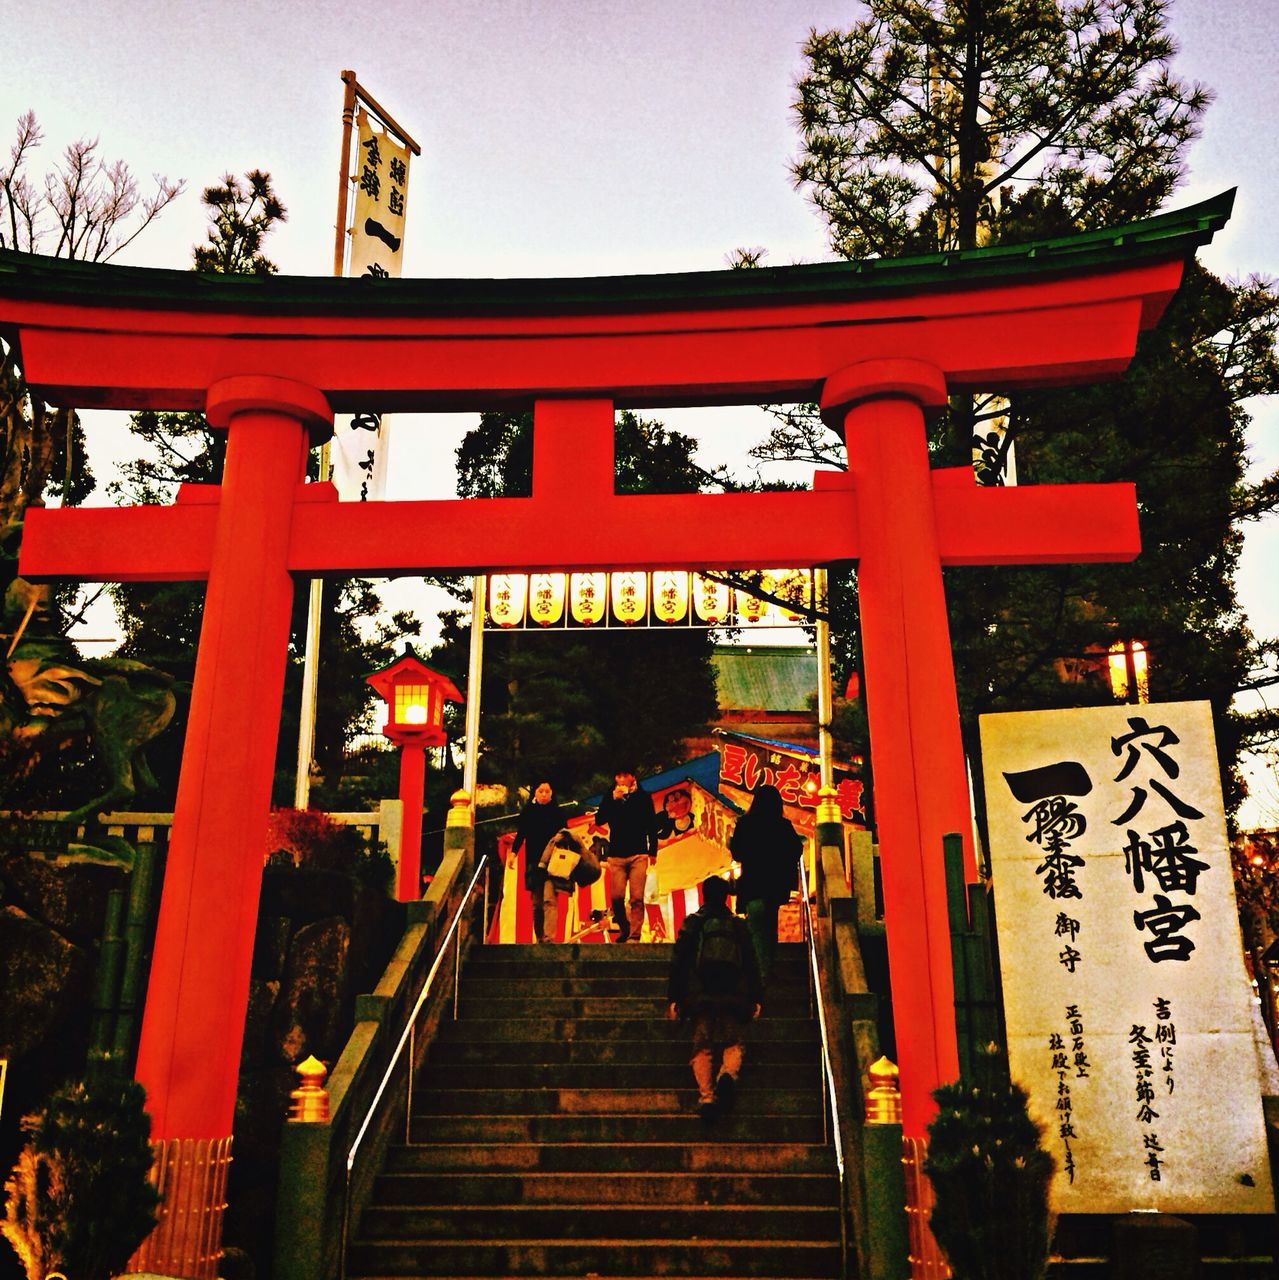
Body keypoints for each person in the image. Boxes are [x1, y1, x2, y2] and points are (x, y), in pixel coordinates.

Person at [666, 875, 763, 1120]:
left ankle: (707, 1097)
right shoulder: (738, 926)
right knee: (733, 1043)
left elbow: (679, 963)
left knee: (702, 1047)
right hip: (732, 994)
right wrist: (755, 996)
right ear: (726, 896)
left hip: (700, 995)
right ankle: (727, 1075)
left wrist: (675, 997)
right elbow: (751, 963)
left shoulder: (693, 923)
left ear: (703, 894)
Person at [729, 784, 803, 981]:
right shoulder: (782, 826)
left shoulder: (745, 824)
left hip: (753, 884)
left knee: (756, 929)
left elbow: (736, 852)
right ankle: (767, 967)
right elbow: (796, 850)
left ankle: (761, 972)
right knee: (769, 927)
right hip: (774, 886)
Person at [591, 769, 657, 942]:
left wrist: (653, 851)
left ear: (632, 777)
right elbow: (599, 819)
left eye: (624, 776)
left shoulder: (643, 797)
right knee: (617, 897)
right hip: (617, 855)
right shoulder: (610, 796)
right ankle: (624, 927)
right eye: (617, 776)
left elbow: (651, 824)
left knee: (636, 897)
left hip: (639, 853)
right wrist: (614, 800)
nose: (620, 779)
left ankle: (634, 935)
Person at [510, 780, 563, 943]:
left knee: (550, 900)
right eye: (541, 791)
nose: (544, 794)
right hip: (533, 861)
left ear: (552, 793)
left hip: (552, 862)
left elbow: (566, 831)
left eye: (547, 791)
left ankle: (549, 937)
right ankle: (540, 937)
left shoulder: (557, 811)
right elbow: (521, 833)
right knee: (537, 904)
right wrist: (513, 853)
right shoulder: (528, 811)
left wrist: (561, 836)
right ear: (535, 793)